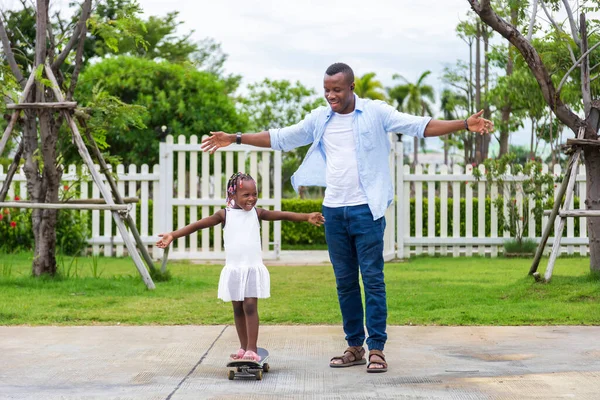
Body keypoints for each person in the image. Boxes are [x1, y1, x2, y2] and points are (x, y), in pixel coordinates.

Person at [200, 62, 493, 372]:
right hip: (334, 211)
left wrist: (463, 124)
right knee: (345, 283)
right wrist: (236, 138)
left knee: (373, 280)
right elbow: (281, 137)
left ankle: (376, 348)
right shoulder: (320, 118)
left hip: (366, 209)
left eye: (336, 90)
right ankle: (355, 346)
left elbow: (419, 125)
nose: (330, 95)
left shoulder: (375, 112)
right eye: (326, 90)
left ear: (352, 87)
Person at [156, 172, 325, 361]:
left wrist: (306, 216)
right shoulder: (224, 215)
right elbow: (198, 225)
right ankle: (243, 347)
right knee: (237, 308)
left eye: (254, 194)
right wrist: (173, 235)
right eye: (246, 195)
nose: (251, 198)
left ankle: (253, 348)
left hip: (252, 268)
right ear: (232, 195)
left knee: (250, 306)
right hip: (234, 270)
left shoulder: (257, 213)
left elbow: (282, 215)